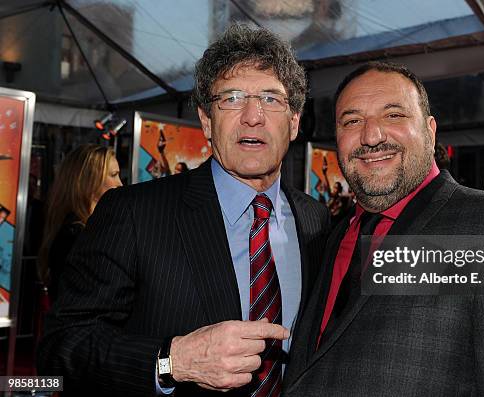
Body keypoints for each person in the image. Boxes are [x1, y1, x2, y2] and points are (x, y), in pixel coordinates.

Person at [37, 24, 329, 397]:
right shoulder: (133, 213)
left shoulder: (315, 220)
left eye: (272, 99)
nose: (253, 116)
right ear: (207, 121)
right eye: (233, 98)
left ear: (294, 123)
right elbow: (60, 348)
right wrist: (172, 360)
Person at [284, 62, 484, 396]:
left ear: (430, 131)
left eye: (394, 115)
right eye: (352, 121)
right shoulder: (332, 237)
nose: (371, 136)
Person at [38, 144, 122, 301]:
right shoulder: (76, 235)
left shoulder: (83, 229)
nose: (120, 183)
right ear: (89, 179)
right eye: (113, 174)